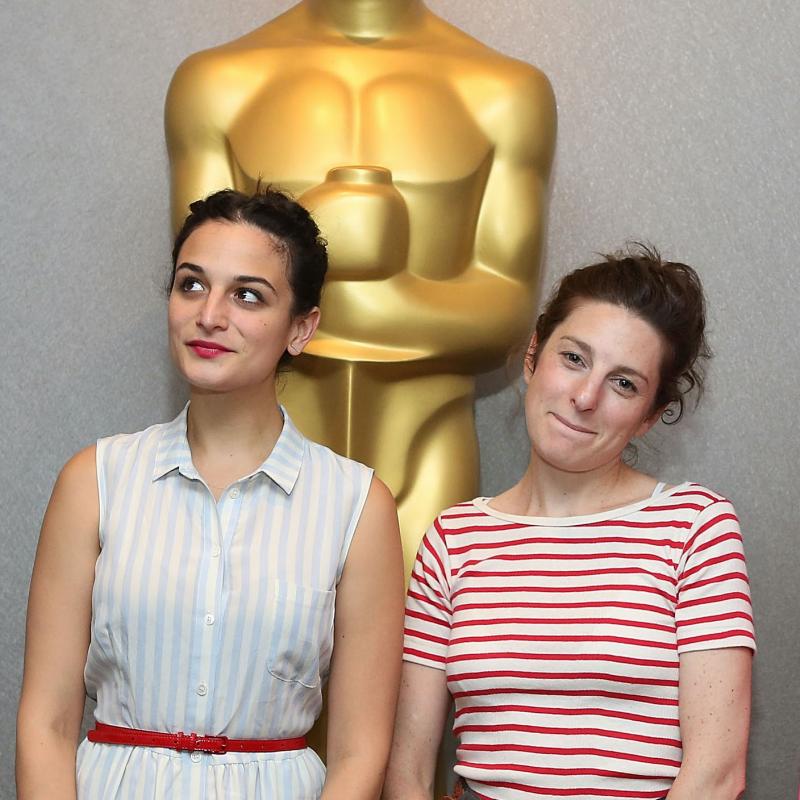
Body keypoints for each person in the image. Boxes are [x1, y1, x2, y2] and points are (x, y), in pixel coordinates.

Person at [16, 187, 405, 799]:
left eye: (248, 295)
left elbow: (360, 752)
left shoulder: (356, 506)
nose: (210, 315)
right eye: (191, 284)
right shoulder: (94, 481)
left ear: (301, 328)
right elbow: (47, 721)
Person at [165, 0, 557, 580]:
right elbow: (206, 300)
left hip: (424, 455)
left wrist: (363, 284)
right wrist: (380, 281)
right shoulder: (218, 85)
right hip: (257, 453)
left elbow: (505, 317)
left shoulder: (505, 93)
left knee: (414, 663)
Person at [383, 245, 755, 800]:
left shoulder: (695, 527)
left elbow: (715, 776)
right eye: (574, 358)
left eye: (624, 383)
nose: (584, 397)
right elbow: (408, 770)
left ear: (650, 417)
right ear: (533, 356)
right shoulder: (454, 539)